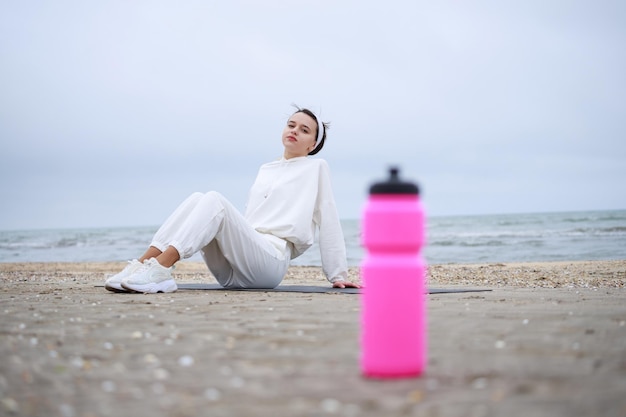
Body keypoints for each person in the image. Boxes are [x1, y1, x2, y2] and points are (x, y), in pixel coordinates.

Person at [105, 106, 360, 293]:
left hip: (269, 263)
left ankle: (160, 269)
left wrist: (337, 274)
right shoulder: (266, 169)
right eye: (291, 125)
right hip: (233, 270)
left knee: (215, 199)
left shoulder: (315, 168)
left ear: (312, 144)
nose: (294, 131)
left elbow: (328, 218)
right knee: (198, 198)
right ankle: (141, 266)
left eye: (304, 130)